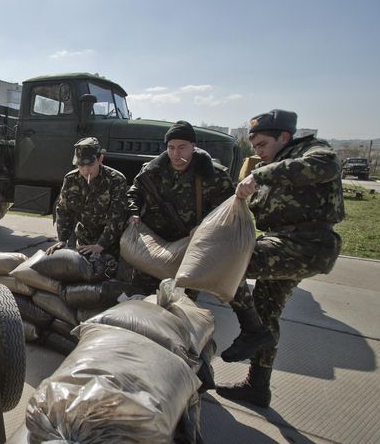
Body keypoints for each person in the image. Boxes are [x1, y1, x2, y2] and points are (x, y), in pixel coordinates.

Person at [216, 109, 344, 408]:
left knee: (225, 263)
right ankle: (258, 387)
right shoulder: (273, 163)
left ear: (283, 137)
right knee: (265, 310)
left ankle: (252, 331)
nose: (258, 152)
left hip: (307, 243)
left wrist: (258, 175)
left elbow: (324, 166)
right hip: (283, 241)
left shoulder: (313, 151)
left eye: (262, 145)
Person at [126, 120, 234, 293]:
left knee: (180, 306)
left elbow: (226, 212)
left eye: (182, 147)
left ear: (193, 146)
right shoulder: (151, 171)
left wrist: (203, 227)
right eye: (171, 147)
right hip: (153, 249)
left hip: (188, 252)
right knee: (141, 301)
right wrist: (133, 212)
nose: (176, 154)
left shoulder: (213, 176)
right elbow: (134, 193)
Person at [46, 137, 128, 266]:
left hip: (111, 243)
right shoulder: (71, 179)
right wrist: (62, 239)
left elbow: (117, 216)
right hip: (84, 240)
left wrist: (101, 245)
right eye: (81, 165)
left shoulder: (116, 180)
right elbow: (63, 210)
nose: (85, 170)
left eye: (90, 165)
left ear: (100, 159)